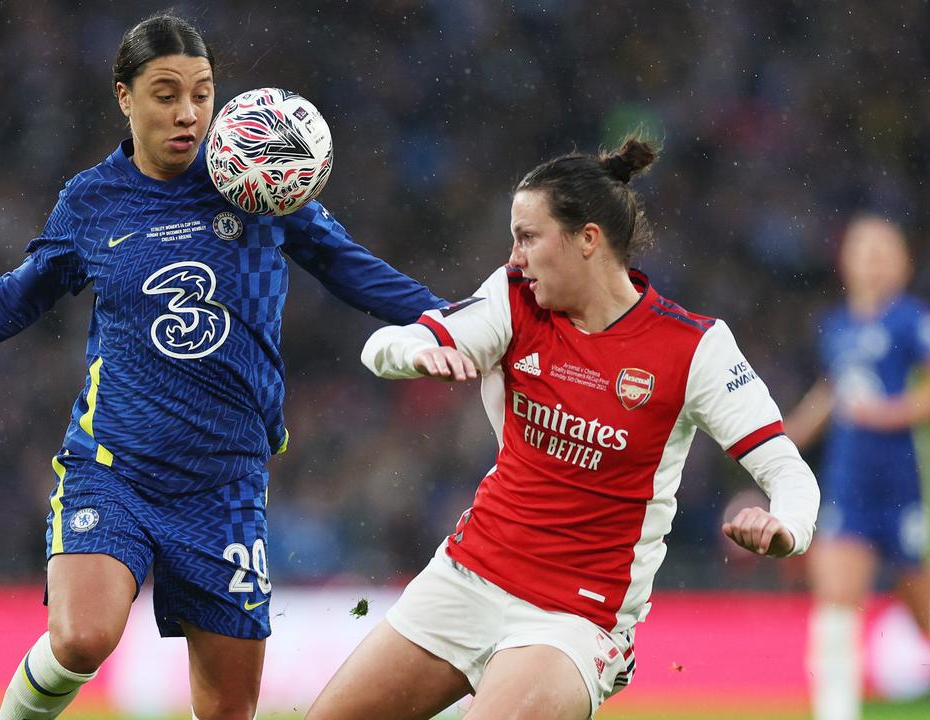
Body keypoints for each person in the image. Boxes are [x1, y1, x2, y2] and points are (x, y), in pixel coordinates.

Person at [0, 14, 444, 720]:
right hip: (116, 466)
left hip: (226, 483)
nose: (189, 112)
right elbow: (14, 301)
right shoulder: (92, 201)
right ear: (124, 97)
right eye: (166, 93)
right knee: (83, 636)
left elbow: (355, 271)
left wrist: (461, 322)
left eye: (202, 93)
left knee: (229, 709)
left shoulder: (256, 182)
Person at [305, 137, 822, 720]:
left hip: (574, 618)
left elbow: (787, 472)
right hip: (466, 576)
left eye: (528, 236)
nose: (515, 255)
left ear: (587, 240)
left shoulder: (695, 347)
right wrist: (417, 355)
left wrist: (787, 527)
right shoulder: (512, 298)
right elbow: (389, 343)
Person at [783, 215, 930, 720]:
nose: (872, 259)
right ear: (845, 261)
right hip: (850, 487)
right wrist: (783, 437)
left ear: (903, 264)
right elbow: (837, 391)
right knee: (835, 603)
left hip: (910, 485)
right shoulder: (837, 327)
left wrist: (889, 413)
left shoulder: (913, 321)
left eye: (883, 250)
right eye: (863, 249)